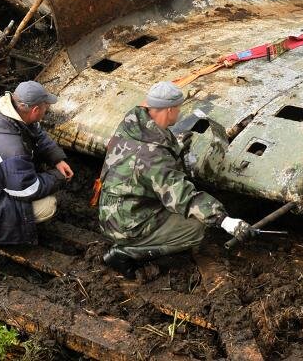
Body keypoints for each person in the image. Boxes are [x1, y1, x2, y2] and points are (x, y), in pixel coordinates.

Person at [98, 81, 252, 277]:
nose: (179, 113)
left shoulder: (133, 124)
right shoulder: (153, 156)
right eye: (178, 109)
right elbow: (181, 196)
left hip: (112, 210)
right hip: (127, 225)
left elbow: (144, 162)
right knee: (195, 228)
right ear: (169, 110)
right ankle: (125, 253)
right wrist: (225, 220)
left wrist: (175, 146)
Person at [0, 81, 74, 245]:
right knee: (48, 205)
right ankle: (7, 235)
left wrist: (57, 159)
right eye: (46, 107)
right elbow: (26, 189)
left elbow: (36, 132)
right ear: (35, 110)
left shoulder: (6, 113)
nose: (47, 111)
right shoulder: (10, 148)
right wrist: (58, 177)